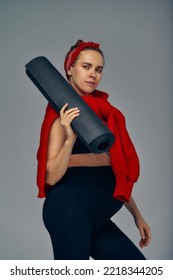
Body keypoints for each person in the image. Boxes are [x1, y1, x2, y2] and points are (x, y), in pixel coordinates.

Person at [36, 40, 152, 260]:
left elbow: (116, 169)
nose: (93, 75)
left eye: (98, 69)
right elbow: (51, 175)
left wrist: (137, 215)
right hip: (69, 212)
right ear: (69, 69)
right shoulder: (63, 114)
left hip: (97, 217)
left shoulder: (103, 114)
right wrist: (70, 141)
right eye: (86, 67)